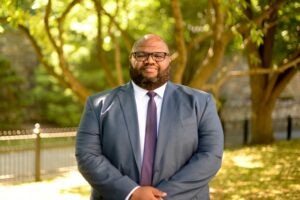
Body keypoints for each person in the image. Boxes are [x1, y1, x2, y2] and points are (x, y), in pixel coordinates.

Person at [76, 34, 224, 200]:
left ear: (169, 60)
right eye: (141, 55)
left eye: (158, 55)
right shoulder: (97, 104)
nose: (150, 60)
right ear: (131, 59)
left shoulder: (200, 102)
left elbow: (210, 155)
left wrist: (161, 197)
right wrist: (131, 193)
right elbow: (87, 155)